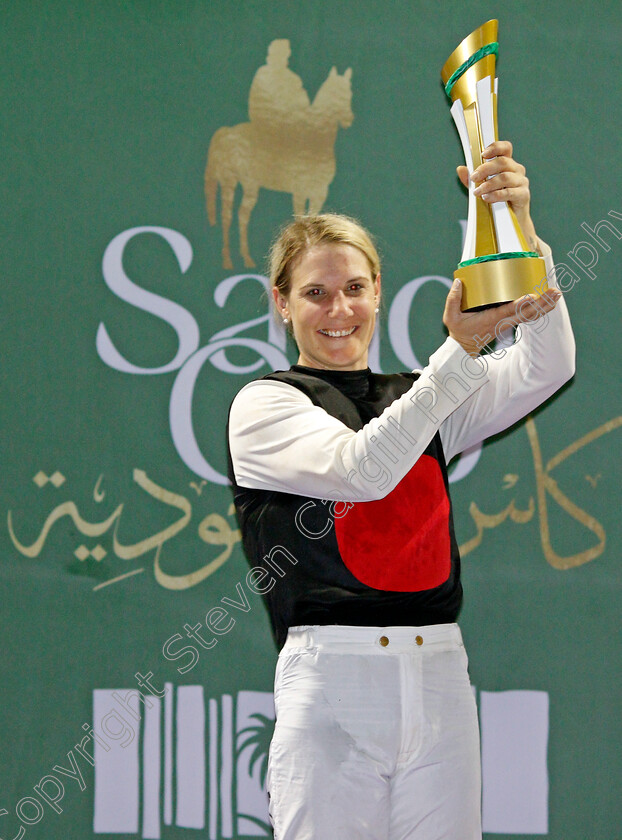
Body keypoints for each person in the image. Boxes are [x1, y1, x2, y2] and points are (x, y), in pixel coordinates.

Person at [226, 140, 575, 840]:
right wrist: (461, 352)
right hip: (332, 680)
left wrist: (518, 229)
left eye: (355, 288)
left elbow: (547, 367)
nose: (339, 310)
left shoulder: (420, 394)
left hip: (441, 671)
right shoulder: (264, 406)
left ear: (378, 290)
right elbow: (364, 470)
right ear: (281, 303)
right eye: (315, 292)